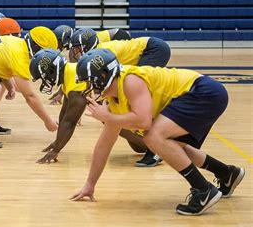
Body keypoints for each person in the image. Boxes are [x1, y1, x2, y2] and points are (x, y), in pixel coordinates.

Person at [71, 48, 245, 216]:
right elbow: (104, 146)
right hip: (201, 93)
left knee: (153, 136)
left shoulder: (130, 81)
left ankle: (203, 190)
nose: (89, 86)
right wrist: (90, 184)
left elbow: (144, 121)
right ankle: (227, 173)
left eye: (90, 80)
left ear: (103, 76)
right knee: (171, 147)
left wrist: (108, 118)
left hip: (203, 92)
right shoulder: (113, 102)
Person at [70, 28, 171, 167]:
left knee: (137, 97)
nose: (75, 51)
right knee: (122, 103)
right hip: (151, 48)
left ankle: (156, 149)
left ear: (86, 45)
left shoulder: (102, 55)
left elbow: (109, 80)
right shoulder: (98, 53)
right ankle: (150, 141)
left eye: (77, 47)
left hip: (154, 49)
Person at [30, 49, 87, 164]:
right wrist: (58, 142)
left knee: (113, 123)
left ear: (52, 70)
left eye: (43, 77)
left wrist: (56, 150)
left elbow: (70, 121)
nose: (44, 81)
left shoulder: (74, 79)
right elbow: (64, 114)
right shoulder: (68, 73)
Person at [48, 27, 131, 105]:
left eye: (57, 42)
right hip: (114, 38)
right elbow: (74, 73)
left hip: (119, 37)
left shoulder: (77, 47)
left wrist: (63, 93)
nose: (57, 45)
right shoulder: (79, 43)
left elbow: (74, 73)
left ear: (63, 39)